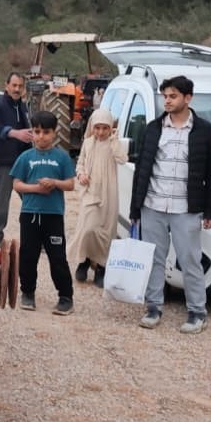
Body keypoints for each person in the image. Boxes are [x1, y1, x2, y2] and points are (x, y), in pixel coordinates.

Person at [129, 75, 211, 333]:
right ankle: (153, 307)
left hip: (186, 208)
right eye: (165, 96)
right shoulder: (153, 128)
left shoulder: (205, 131)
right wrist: (135, 208)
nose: (167, 101)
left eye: (172, 96)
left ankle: (197, 312)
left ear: (188, 98)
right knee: (154, 259)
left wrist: (210, 210)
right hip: (153, 205)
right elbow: (141, 169)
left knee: (190, 260)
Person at [10, 110, 76, 315]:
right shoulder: (25, 157)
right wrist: (36, 189)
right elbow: (17, 185)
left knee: (57, 257)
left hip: (53, 216)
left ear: (54, 133)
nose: (41, 136)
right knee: (28, 255)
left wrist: (55, 183)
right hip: (29, 214)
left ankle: (65, 297)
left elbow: (70, 184)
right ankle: (28, 293)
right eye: (37, 131)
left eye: (46, 132)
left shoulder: (62, 158)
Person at [71, 107, 126, 287]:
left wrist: (115, 141)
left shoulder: (113, 143)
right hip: (90, 192)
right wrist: (81, 175)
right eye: (97, 127)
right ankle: (84, 259)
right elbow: (80, 163)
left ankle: (101, 266)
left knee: (105, 231)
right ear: (92, 127)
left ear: (110, 127)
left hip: (108, 194)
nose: (101, 132)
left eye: (105, 128)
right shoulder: (88, 143)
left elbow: (122, 159)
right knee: (88, 228)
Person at [0, 72, 33, 246]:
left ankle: (35, 235)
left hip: (22, 162)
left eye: (20, 86)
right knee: (1, 200)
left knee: (31, 198)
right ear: (6, 86)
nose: (17, 89)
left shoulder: (23, 107)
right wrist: (15, 133)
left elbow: (27, 129)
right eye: (14, 85)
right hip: (3, 161)